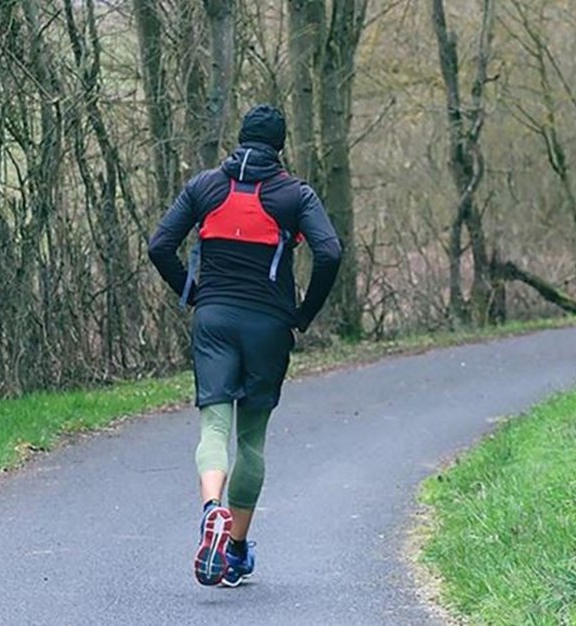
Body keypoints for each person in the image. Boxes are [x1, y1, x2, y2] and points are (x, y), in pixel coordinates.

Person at [147, 104, 342, 587]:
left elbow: (158, 245)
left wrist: (191, 293)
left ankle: (211, 507)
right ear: (280, 147)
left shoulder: (206, 186)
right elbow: (330, 251)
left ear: (240, 139)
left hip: (213, 318)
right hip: (269, 327)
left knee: (214, 425)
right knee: (251, 439)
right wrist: (304, 313)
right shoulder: (295, 194)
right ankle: (234, 550)